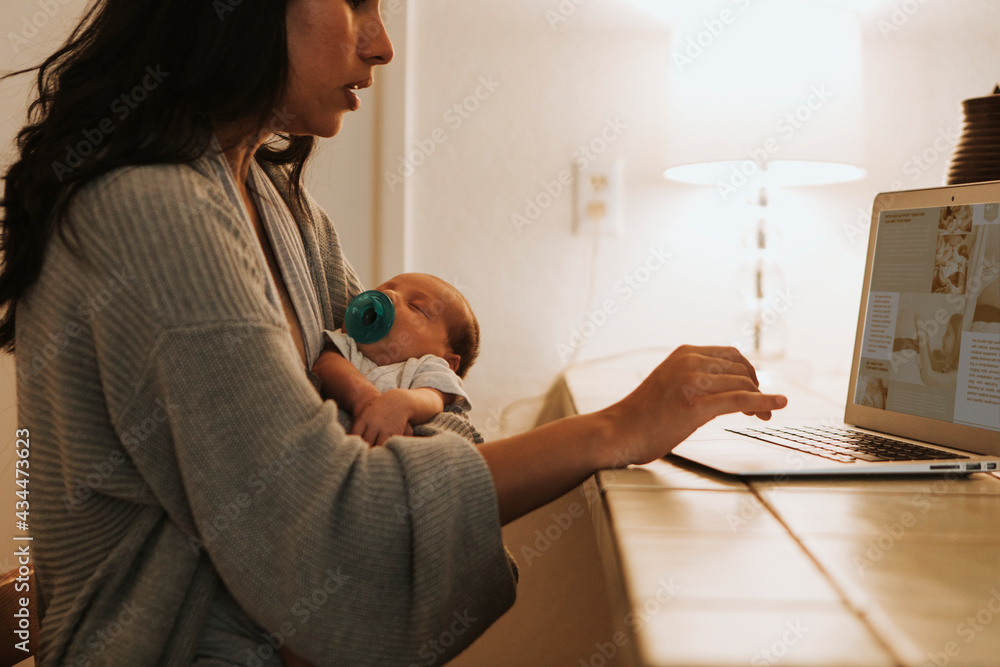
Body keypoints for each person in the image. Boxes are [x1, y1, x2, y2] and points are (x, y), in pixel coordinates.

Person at [0, 1, 787, 665]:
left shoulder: (279, 206)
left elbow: (430, 393)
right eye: (355, 3)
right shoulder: (156, 212)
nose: (380, 44)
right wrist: (615, 428)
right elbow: (334, 537)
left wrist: (400, 421)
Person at [313, 272, 478, 447]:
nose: (390, 295)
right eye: (385, 289)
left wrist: (403, 403)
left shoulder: (428, 366)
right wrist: (364, 398)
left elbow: (434, 398)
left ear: (448, 363)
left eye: (416, 307)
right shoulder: (349, 344)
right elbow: (325, 365)